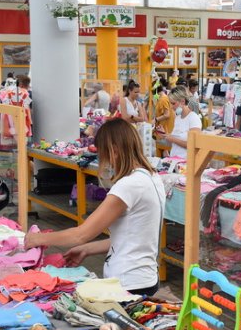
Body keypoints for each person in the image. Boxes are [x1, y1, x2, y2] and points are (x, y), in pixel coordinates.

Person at [24, 119, 165, 297]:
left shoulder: (129, 185)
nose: (104, 162)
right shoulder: (152, 178)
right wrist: (86, 249)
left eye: (103, 155)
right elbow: (132, 238)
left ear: (114, 150)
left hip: (128, 283)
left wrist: (38, 239)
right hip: (144, 280)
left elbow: (80, 234)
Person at [159, 86, 202, 158]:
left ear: (182, 101)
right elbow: (177, 138)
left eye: (173, 103)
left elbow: (193, 144)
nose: (172, 107)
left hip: (186, 163)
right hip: (175, 161)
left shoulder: (194, 118)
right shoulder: (178, 118)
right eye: (170, 104)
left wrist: (172, 139)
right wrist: (164, 134)